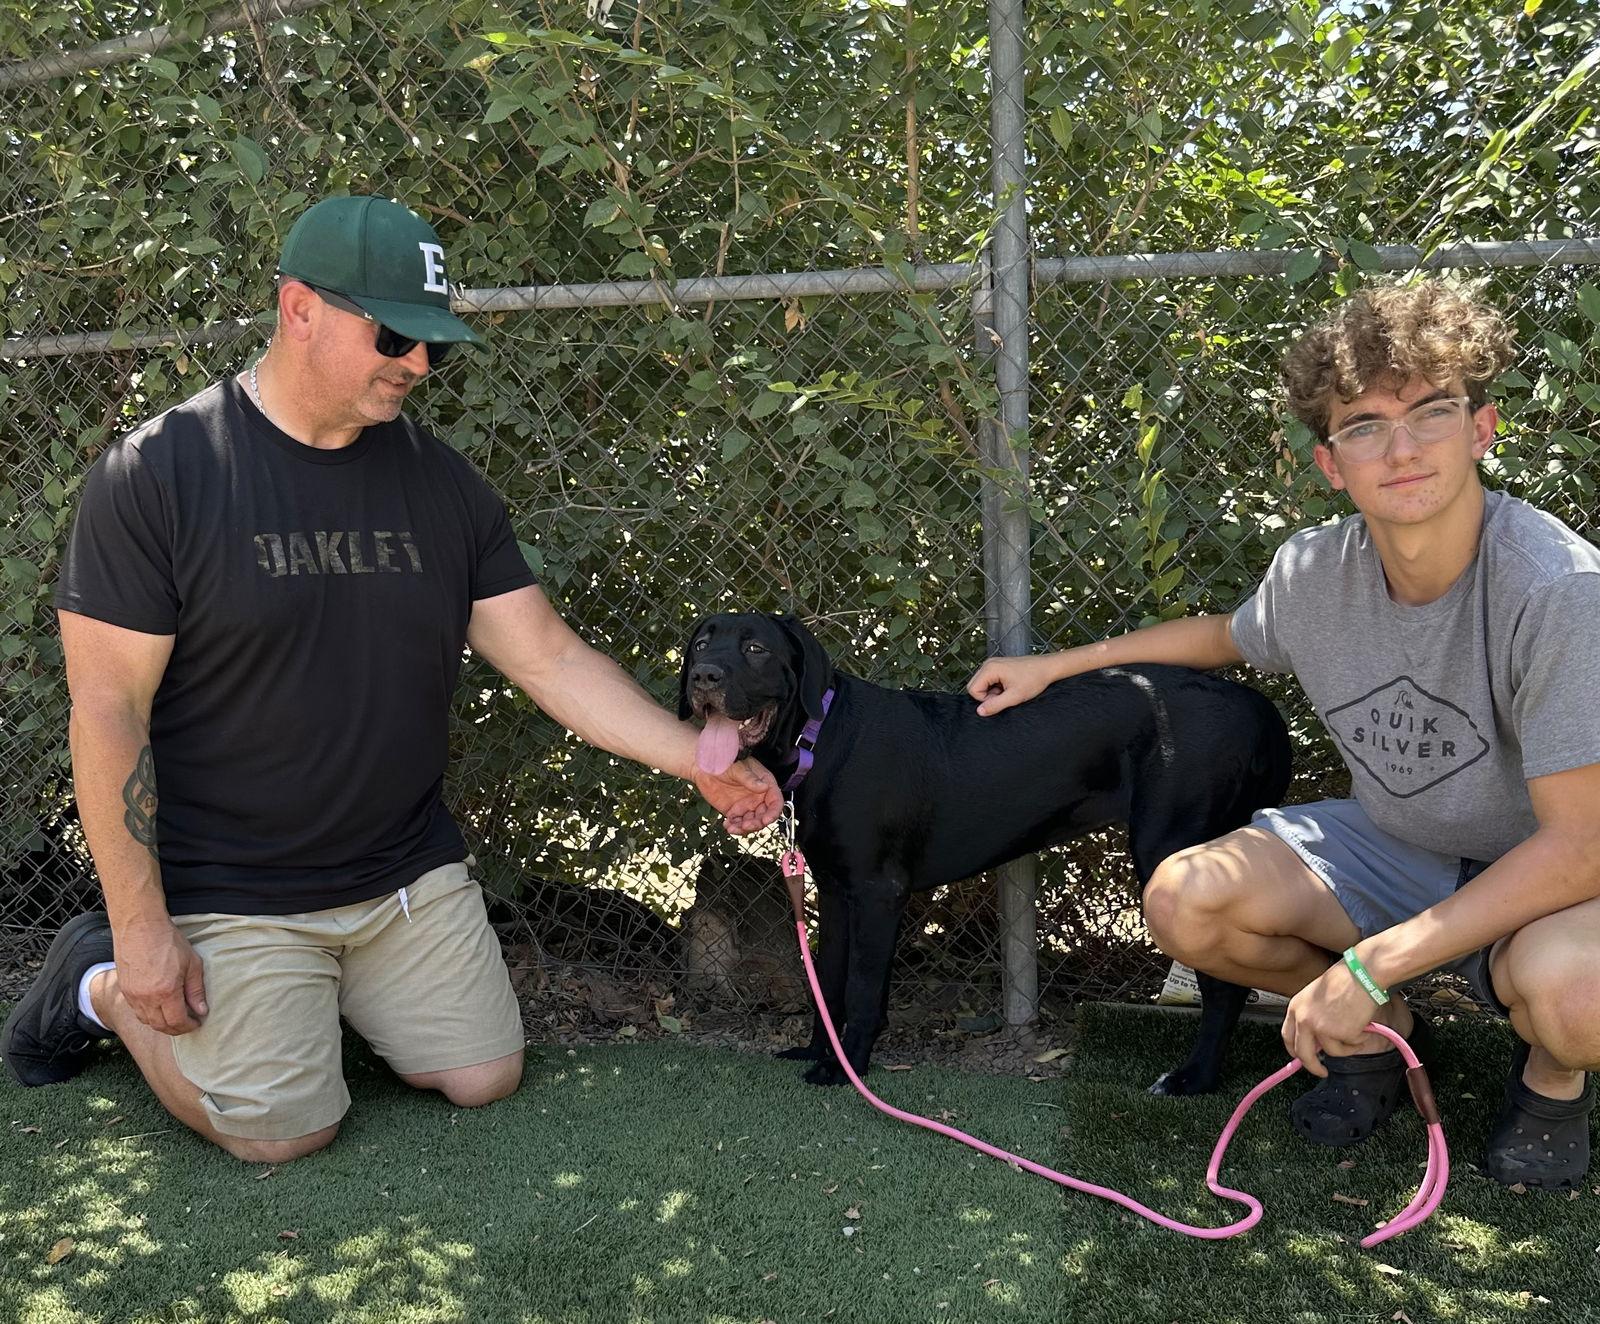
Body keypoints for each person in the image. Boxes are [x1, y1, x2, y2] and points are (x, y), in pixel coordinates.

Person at [2, 195, 782, 1163]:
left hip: (399, 875)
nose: (417, 364)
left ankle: (304, 997)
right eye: (394, 336)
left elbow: (550, 655)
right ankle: (97, 982)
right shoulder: (160, 474)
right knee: (286, 1130)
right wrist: (141, 924)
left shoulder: (440, 485)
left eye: (434, 345)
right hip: (230, 883)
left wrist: (693, 759)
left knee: (483, 1075)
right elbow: (108, 709)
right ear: (299, 310)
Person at [967, 279, 1600, 1188]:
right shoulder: (1314, 571)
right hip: (1399, 843)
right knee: (1185, 899)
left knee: (1579, 1000)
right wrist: (1055, 665)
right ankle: (1380, 1042)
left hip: (1546, 873)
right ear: (1331, 463)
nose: (1404, 447)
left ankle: (1552, 1081)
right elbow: (1226, 637)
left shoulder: (1559, 589)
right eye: (1366, 426)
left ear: (1482, 427)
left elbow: (1582, 846)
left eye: (1431, 411)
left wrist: (1376, 963)